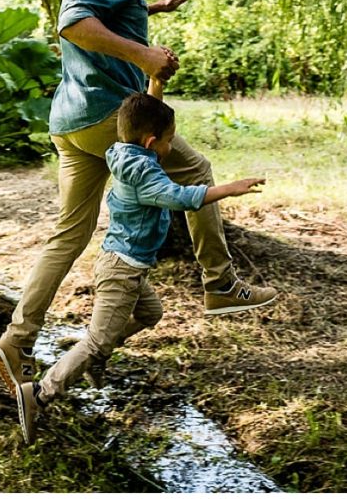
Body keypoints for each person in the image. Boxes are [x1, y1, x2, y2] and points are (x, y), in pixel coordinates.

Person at [0, 0, 277, 400]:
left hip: (71, 121)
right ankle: (221, 283)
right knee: (197, 171)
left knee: (69, 234)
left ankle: (17, 340)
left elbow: (103, 11)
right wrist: (144, 54)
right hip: (108, 117)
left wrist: (153, 9)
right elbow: (74, 23)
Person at [15, 87, 274, 444]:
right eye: (169, 141)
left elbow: (148, 121)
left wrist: (156, 84)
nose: (172, 147)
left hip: (124, 265)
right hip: (122, 271)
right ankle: (41, 394)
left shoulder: (127, 152)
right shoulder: (145, 177)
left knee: (151, 313)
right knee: (96, 340)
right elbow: (180, 197)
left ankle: (96, 359)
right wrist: (229, 189)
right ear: (152, 142)